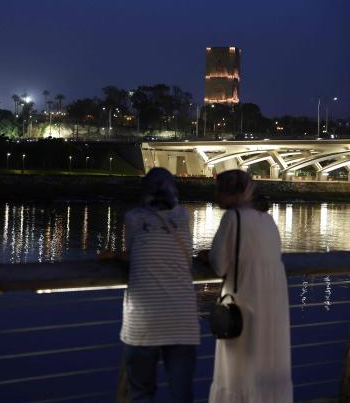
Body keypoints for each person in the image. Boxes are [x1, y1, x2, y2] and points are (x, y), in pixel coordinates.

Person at [206, 170, 292, 402]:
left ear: (232, 194)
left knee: (239, 368)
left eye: (220, 190)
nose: (216, 195)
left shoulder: (234, 218)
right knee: (266, 362)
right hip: (272, 304)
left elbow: (218, 264)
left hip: (245, 301)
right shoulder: (268, 220)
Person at [118, 167, 200, 403]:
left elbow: (134, 251)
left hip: (144, 321)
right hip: (182, 320)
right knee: (181, 395)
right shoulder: (184, 217)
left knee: (142, 393)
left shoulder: (134, 218)